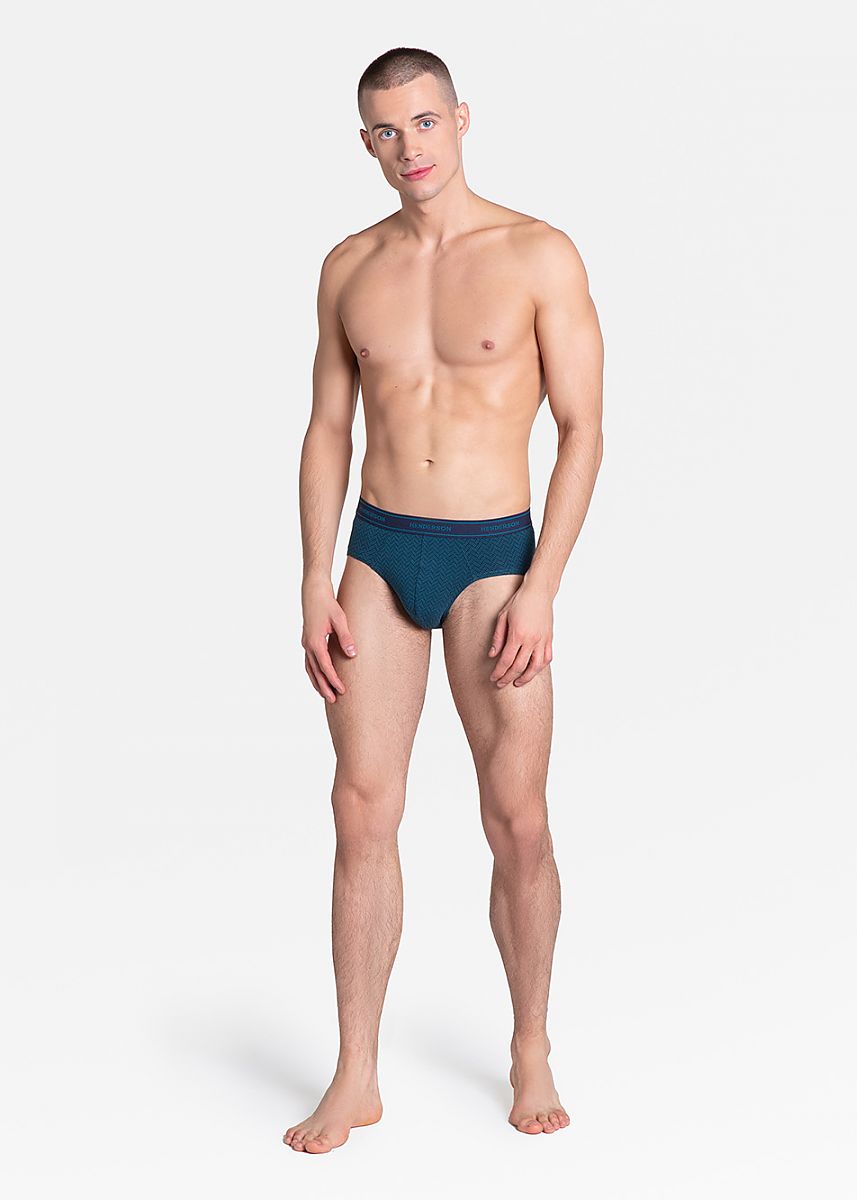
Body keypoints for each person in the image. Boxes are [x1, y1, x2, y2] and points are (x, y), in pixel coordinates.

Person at [284, 46, 604, 1154]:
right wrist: (315, 575)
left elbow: (584, 429)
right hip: (377, 555)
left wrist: (543, 585)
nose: (408, 147)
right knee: (360, 811)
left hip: (494, 559)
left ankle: (530, 1045)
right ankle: (356, 1072)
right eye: (386, 130)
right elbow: (329, 428)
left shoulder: (537, 253)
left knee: (517, 820)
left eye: (424, 122)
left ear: (461, 119)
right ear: (365, 142)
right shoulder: (349, 266)